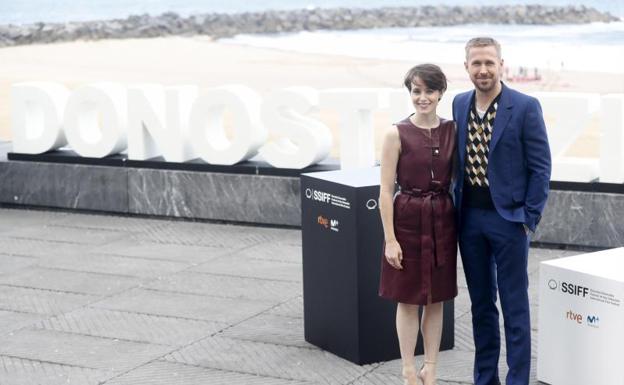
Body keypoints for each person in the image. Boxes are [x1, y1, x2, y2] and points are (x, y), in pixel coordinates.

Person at [452, 37, 551, 385]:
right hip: (469, 221)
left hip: (509, 222)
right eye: (476, 63)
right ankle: (485, 378)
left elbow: (541, 168)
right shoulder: (459, 103)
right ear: (466, 67)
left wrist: (529, 218)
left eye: (489, 63)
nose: (483, 70)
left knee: (514, 306)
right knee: (480, 305)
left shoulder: (525, 106)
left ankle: (517, 380)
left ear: (501, 65)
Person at [378, 63, 457, 385]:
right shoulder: (395, 132)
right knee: (409, 298)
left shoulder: (453, 129)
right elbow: (385, 190)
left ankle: (432, 367)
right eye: (416, 91)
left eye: (429, 91)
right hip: (408, 217)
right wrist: (390, 240)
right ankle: (409, 369)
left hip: (443, 218)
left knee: (436, 298)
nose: (422, 98)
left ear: (440, 93)